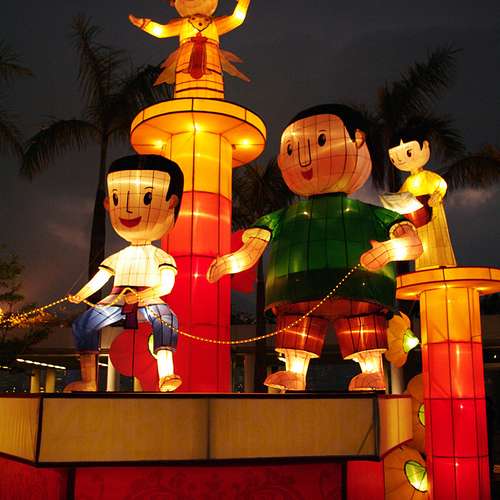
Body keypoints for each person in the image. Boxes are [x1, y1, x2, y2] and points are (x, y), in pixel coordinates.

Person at [207, 104, 423, 391]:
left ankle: (371, 372)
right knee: (296, 324)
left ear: (358, 140)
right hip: (297, 288)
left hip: (359, 285)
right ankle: (294, 373)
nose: (305, 158)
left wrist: (388, 250)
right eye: (291, 150)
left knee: (361, 323)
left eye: (322, 141)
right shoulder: (283, 218)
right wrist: (232, 262)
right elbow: (252, 248)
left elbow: (413, 243)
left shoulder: (370, 214)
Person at [65, 154, 184, 392]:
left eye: (147, 198)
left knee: (167, 319)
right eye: (118, 199)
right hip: (116, 300)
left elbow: (166, 286)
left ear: (171, 202)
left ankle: (166, 375)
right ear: (108, 204)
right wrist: (80, 295)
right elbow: (100, 279)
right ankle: (89, 380)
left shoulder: (161, 256)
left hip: (149, 300)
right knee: (84, 324)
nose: (128, 208)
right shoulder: (118, 257)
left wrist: (140, 296)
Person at [129, 0, 251, 97]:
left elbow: (237, 19)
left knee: (212, 87)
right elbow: (162, 31)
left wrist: (243, 2)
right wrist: (143, 24)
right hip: (186, 60)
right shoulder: (183, 24)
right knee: (185, 88)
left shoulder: (215, 24)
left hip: (211, 61)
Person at [388, 127, 456, 270]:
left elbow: (441, 184)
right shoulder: (408, 182)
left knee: (437, 238)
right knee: (422, 243)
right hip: (418, 219)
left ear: (424, 146)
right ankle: (423, 266)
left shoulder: (428, 176)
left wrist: (437, 195)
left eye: (408, 152)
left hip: (433, 214)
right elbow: (400, 196)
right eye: (394, 158)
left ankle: (443, 263)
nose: (400, 160)